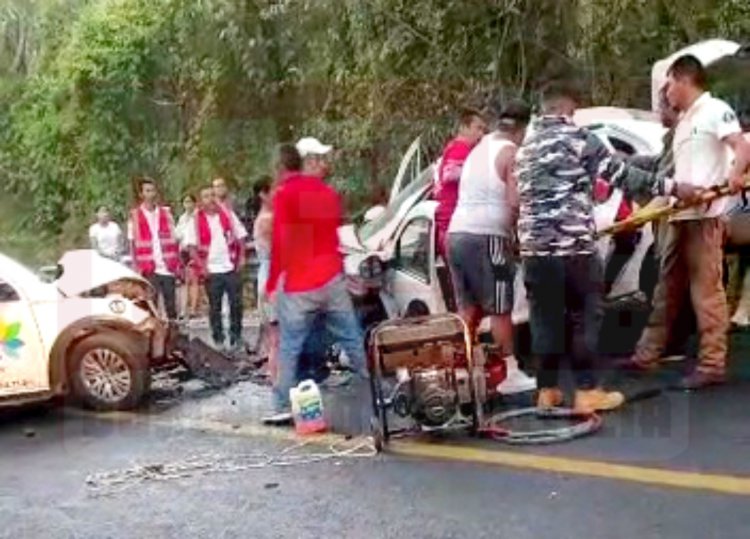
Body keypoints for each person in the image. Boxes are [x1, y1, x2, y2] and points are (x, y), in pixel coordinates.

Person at [515, 80, 696, 413]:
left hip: (534, 251)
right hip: (573, 248)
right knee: (584, 316)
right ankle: (586, 392)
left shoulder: (525, 147)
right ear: (569, 108)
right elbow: (621, 176)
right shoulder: (579, 139)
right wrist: (673, 187)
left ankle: (547, 391)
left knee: (544, 318)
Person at [619, 55, 750, 389]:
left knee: (706, 293)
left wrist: (736, 174)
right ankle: (646, 354)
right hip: (680, 213)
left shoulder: (715, 109)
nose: (666, 93)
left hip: (705, 217)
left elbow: (741, 146)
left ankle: (712, 363)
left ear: (684, 79)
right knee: (666, 290)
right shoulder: (684, 122)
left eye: (669, 85)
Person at [262, 140, 368, 424]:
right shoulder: (329, 194)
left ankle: (283, 405)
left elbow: (282, 243)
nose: (324, 163)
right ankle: (376, 393)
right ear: (306, 161)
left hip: (300, 284)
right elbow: (333, 238)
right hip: (331, 279)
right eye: (319, 158)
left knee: (289, 348)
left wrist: (272, 284)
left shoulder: (285, 195)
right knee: (352, 338)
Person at [446, 100, 535, 395]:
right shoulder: (510, 152)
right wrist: (515, 236)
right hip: (487, 236)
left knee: (467, 307)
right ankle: (509, 371)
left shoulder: (477, 150)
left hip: (456, 234)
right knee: (500, 306)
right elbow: (514, 201)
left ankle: (463, 370)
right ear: (522, 130)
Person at [186, 185, 248, 353]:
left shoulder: (227, 214)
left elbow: (241, 236)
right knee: (215, 308)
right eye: (206, 196)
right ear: (201, 201)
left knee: (236, 305)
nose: (211, 199)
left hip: (230, 266)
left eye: (212, 195)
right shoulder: (196, 220)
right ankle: (218, 340)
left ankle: (236, 337)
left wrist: (242, 257)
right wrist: (202, 267)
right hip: (211, 270)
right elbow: (191, 248)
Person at [434, 107, 487, 259]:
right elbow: (450, 174)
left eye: (483, 130)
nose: (481, 134)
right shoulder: (460, 149)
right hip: (453, 224)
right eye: (477, 128)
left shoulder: (453, 148)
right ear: (464, 127)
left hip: (451, 226)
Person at [128, 177, 181, 320]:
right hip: (148, 267)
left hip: (167, 266)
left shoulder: (166, 213)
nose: (151, 194)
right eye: (147, 191)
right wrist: (136, 268)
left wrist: (176, 263)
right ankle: (154, 340)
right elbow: (133, 244)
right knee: (152, 307)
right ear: (141, 194)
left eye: (153, 190)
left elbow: (174, 239)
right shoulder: (135, 216)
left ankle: (173, 338)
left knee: (171, 307)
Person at [175, 193, 200, 319]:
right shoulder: (182, 218)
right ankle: (183, 310)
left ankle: (193, 309)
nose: (188, 205)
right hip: (183, 251)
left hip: (194, 250)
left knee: (194, 279)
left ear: (195, 203)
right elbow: (177, 235)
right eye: (185, 202)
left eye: (190, 201)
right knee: (184, 280)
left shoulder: (198, 217)